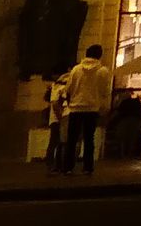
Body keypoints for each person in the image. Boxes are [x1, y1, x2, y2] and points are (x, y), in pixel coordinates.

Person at [58, 45, 113, 175]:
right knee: (89, 139)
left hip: (75, 108)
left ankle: (68, 167)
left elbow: (69, 88)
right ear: (100, 55)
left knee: (72, 139)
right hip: (92, 108)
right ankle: (88, 167)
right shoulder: (103, 71)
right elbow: (105, 91)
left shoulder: (76, 69)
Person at [45, 80, 69, 174]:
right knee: (56, 142)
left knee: (57, 142)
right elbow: (55, 104)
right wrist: (61, 118)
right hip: (58, 119)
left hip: (55, 119)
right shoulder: (60, 88)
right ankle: (53, 165)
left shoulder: (55, 87)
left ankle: (55, 165)